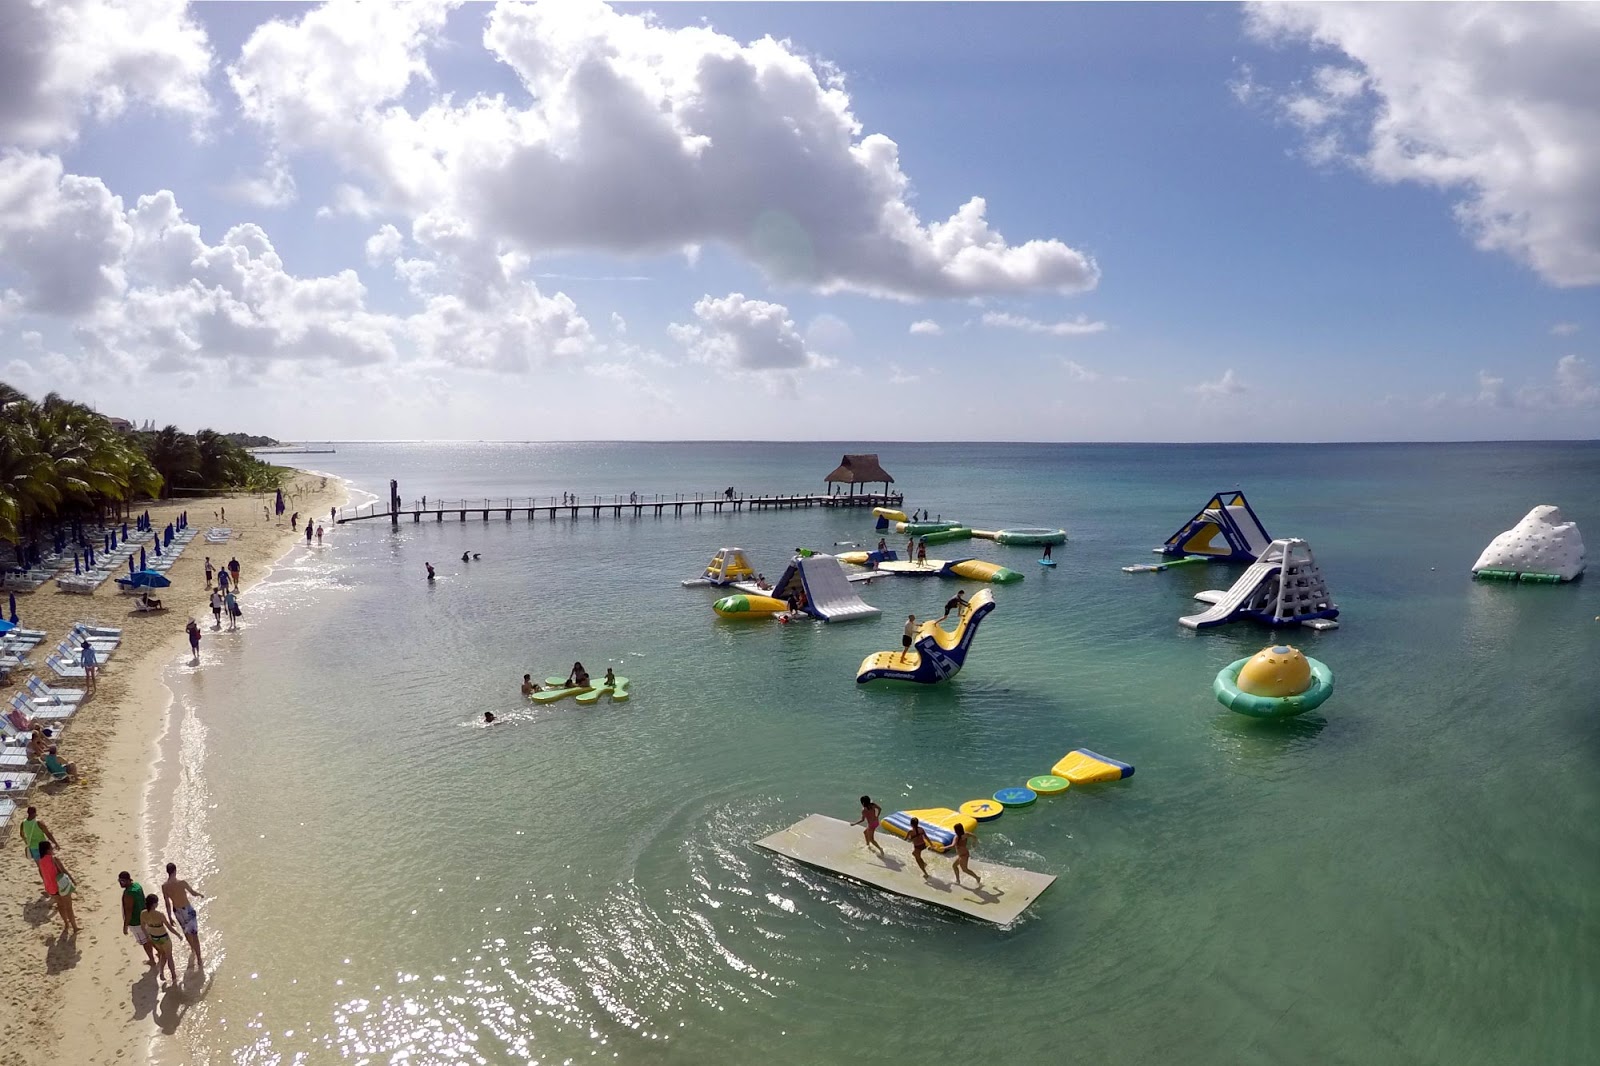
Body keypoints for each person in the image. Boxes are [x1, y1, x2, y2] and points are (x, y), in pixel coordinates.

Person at [162, 861, 207, 969]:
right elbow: (192, 892)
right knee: (194, 934)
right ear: (175, 871)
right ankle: (199, 959)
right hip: (187, 909)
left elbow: (167, 903)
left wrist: (169, 917)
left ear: (167, 872)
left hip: (177, 911)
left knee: (186, 932)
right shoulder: (181, 882)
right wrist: (200, 894)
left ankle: (192, 950)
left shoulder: (164, 886)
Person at [38, 841, 78, 933]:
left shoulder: (40, 861)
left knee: (60, 905)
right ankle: (75, 927)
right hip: (61, 885)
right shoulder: (54, 859)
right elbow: (63, 870)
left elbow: (42, 874)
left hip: (51, 888)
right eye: (51, 848)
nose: (52, 849)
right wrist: (72, 879)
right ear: (48, 850)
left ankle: (66, 924)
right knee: (68, 907)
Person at [119, 871, 157, 965]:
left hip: (136, 922)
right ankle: (159, 953)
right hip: (145, 917)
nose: (120, 883)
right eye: (119, 881)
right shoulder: (137, 886)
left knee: (144, 942)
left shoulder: (129, 893)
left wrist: (125, 926)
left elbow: (128, 911)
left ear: (128, 880)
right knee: (149, 938)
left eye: (122, 881)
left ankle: (152, 960)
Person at [141, 893, 177, 984]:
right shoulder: (160, 914)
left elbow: (142, 926)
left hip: (154, 938)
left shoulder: (143, 913)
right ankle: (173, 976)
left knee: (162, 955)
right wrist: (178, 934)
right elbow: (169, 927)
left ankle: (161, 972)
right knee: (169, 956)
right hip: (164, 937)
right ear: (154, 904)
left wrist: (148, 936)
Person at [19, 806, 58, 886]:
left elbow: (21, 834)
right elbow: (48, 833)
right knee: (51, 865)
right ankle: (55, 882)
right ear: (35, 813)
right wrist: (55, 843)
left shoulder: (23, 823)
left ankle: (46, 883)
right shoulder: (38, 822)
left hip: (33, 848)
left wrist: (27, 841)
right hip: (43, 847)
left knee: (41, 867)